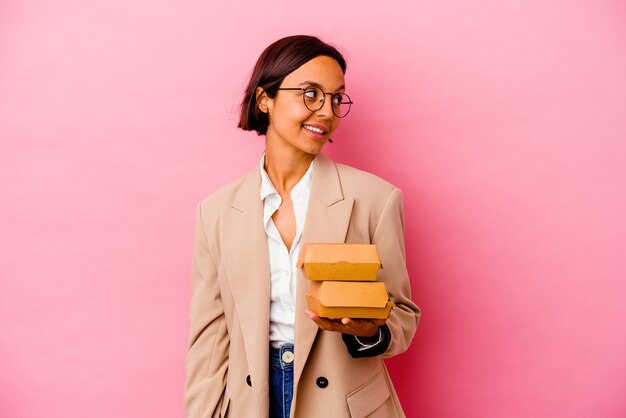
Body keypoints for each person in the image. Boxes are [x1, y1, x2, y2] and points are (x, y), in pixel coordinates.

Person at [184, 35, 420, 418]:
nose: (326, 111)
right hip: (251, 401)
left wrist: (368, 330)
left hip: (345, 403)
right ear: (266, 99)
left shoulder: (376, 199)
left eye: (335, 98)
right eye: (310, 94)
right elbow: (210, 340)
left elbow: (403, 314)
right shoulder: (215, 212)